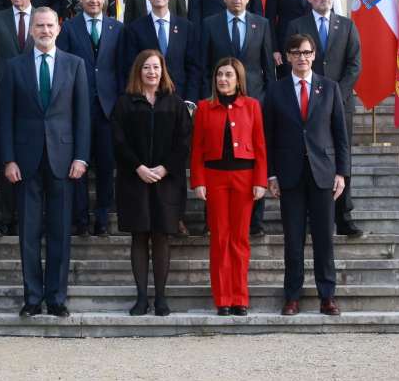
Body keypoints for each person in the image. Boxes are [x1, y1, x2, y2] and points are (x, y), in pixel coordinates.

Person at [0, 7, 90, 318]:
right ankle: (33, 298)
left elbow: (82, 115)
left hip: (63, 160)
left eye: (50, 25)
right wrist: (8, 159)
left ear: (58, 28)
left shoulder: (75, 64)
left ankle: (56, 298)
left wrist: (81, 156)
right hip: (25, 161)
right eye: (39, 25)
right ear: (32, 29)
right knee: (29, 233)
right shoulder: (14, 67)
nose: (45, 30)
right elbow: (5, 117)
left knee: (60, 232)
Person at [265, 33, 350, 317]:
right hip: (289, 175)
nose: (301, 57)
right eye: (295, 52)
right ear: (288, 57)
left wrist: (342, 172)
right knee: (293, 240)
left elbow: (340, 135)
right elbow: (268, 136)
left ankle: (328, 296)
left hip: (323, 173)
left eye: (306, 52)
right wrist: (271, 175)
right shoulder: (276, 90)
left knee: (324, 238)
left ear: (313, 55)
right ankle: (292, 296)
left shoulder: (330, 87)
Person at [111, 49, 191, 316]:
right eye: (146, 67)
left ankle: (161, 299)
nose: (152, 72)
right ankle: (142, 298)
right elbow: (118, 141)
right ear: (138, 71)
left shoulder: (175, 103)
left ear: (163, 70)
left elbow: (184, 141)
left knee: (161, 236)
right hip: (134, 179)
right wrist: (139, 167)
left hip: (166, 181)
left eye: (156, 67)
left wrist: (165, 168)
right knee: (139, 235)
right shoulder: (125, 103)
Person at [283, 0, 363, 237]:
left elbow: (354, 65)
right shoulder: (297, 25)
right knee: (308, 157)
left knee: (342, 157)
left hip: (341, 103)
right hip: (305, 104)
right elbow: (292, 63)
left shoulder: (347, 25)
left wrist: (335, 96)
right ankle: (310, 216)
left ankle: (344, 215)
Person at [190, 58, 268, 316]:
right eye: (219, 75)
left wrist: (260, 180)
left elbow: (260, 146)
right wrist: (198, 180)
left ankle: (240, 298)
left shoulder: (252, 106)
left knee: (240, 239)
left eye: (228, 75)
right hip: (215, 178)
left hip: (244, 178)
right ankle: (223, 298)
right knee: (220, 239)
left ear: (238, 79)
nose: (223, 79)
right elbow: (197, 148)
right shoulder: (204, 107)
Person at [199, 0, 274, 236]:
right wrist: (207, 100)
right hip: (218, 104)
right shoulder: (210, 24)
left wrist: (267, 101)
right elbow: (204, 66)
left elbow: (268, 67)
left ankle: (255, 222)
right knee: (217, 155)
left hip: (254, 104)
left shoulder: (261, 24)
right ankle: (211, 221)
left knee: (253, 157)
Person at [56, 0, 122, 236]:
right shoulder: (68, 28)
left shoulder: (117, 28)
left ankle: (103, 217)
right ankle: (81, 219)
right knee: (78, 165)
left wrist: (119, 102)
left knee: (106, 165)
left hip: (108, 109)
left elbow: (122, 68)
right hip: (77, 108)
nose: (94, 0)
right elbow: (62, 66)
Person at [0, 0, 36, 237]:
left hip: (36, 105)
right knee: (8, 160)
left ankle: (30, 220)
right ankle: (6, 219)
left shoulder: (44, 19)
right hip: (6, 102)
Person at [121, 0, 201, 104]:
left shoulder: (186, 27)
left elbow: (193, 67)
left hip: (180, 99)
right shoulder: (135, 28)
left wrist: (190, 100)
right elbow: (131, 67)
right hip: (147, 100)